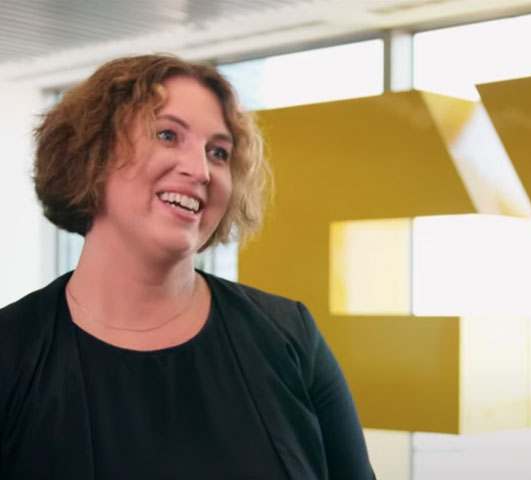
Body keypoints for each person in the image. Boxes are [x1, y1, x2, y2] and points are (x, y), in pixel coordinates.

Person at [0, 55, 375, 479]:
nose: (200, 171)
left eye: (218, 153)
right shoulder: (11, 351)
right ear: (92, 153)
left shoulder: (288, 337)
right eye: (167, 135)